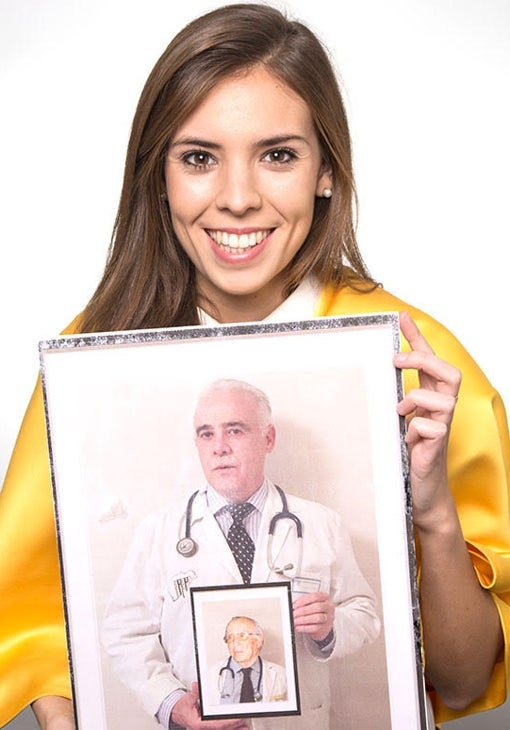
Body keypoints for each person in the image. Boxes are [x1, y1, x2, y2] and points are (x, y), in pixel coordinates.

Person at [0, 2, 508, 729]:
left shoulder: (413, 360)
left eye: (277, 155)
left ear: (326, 171)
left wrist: (431, 514)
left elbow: (461, 686)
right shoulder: (91, 360)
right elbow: (38, 627)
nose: (238, 198)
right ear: (160, 175)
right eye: (199, 157)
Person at [101, 378, 380, 728]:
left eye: (234, 430)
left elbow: (364, 613)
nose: (219, 447)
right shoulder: (157, 533)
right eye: (206, 434)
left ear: (268, 439)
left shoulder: (322, 524)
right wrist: (172, 703)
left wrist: (330, 627)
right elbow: (124, 633)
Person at [217, 616, 287, 705]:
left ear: (259, 641)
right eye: (230, 638)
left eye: (242, 636)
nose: (235, 643)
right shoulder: (210, 674)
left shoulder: (282, 674)